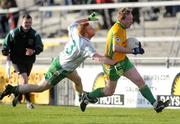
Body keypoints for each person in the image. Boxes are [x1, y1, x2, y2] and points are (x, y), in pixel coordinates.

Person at [0, 12, 117, 107]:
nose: (94, 28)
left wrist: (88, 18)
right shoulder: (86, 45)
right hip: (60, 68)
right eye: (91, 27)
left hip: (66, 66)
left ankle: (82, 97)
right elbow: (99, 58)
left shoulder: (75, 32)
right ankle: (13, 89)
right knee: (40, 88)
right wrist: (114, 62)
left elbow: (74, 23)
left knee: (78, 80)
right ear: (86, 33)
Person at [80, 8, 170, 113]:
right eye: (129, 19)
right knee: (109, 91)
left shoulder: (122, 28)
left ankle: (156, 105)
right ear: (122, 20)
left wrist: (134, 47)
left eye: (131, 19)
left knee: (140, 81)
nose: (131, 21)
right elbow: (115, 48)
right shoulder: (117, 29)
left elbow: (120, 46)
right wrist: (133, 50)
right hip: (112, 65)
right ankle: (88, 96)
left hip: (123, 61)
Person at [1, 14, 44, 109]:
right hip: (16, 60)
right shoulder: (13, 33)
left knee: (23, 81)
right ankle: (28, 102)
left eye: (29, 22)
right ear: (22, 22)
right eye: (26, 22)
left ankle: (17, 95)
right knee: (24, 79)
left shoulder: (35, 34)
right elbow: (5, 44)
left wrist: (33, 51)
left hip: (29, 61)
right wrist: (5, 50)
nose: (28, 24)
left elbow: (40, 47)